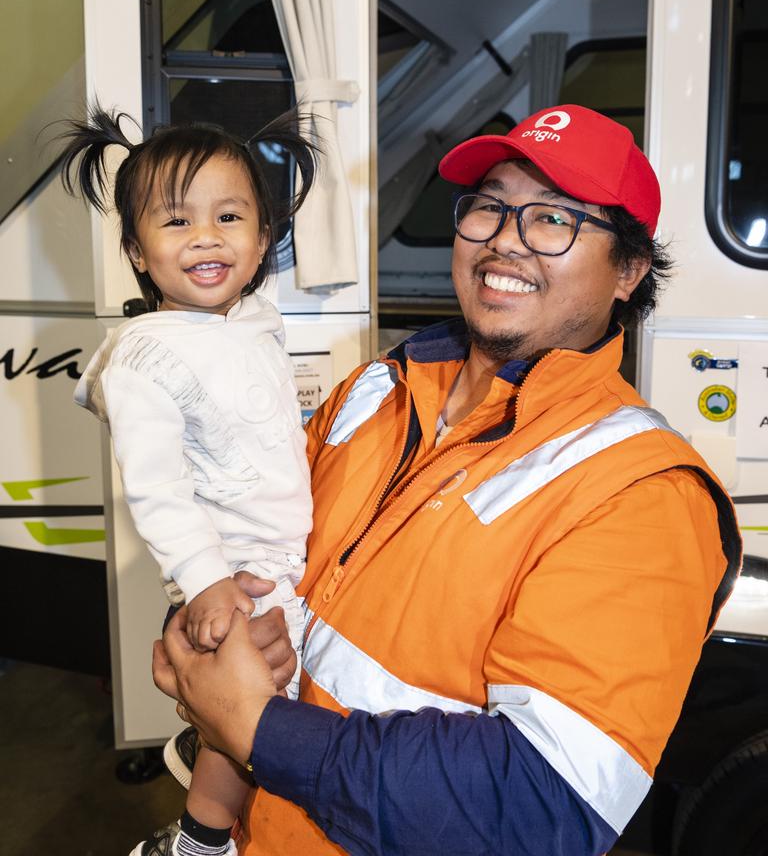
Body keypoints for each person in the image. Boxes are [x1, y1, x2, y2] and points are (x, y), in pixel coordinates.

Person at [153, 104, 742, 856]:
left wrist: (254, 726)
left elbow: (540, 804)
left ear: (628, 270)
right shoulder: (378, 387)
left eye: (554, 220)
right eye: (489, 207)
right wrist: (201, 624)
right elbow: (258, 545)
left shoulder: (641, 493)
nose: (504, 240)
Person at [61, 108, 318, 856]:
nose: (206, 236)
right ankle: (199, 839)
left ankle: (208, 756)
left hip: (284, 554)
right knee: (253, 707)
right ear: (139, 252)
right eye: (177, 223)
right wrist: (206, 583)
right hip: (227, 564)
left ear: (263, 239)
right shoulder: (147, 354)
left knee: (277, 701)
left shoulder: (254, 321)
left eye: (229, 216)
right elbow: (157, 489)